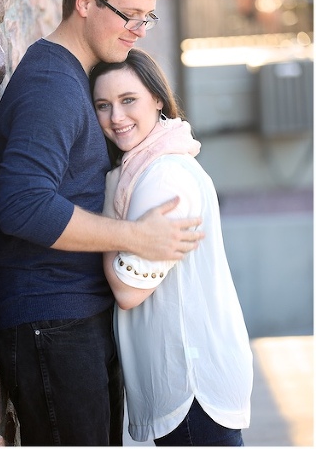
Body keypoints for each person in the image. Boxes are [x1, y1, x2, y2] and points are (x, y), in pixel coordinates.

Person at [0, 0, 205, 446]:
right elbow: (21, 204)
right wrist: (134, 236)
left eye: (146, 18)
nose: (139, 30)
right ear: (85, 2)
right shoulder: (51, 86)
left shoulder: (72, 78)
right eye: (129, 15)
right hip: (52, 326)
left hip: (73, 321)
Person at [90, 48, 253, 446]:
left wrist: (108, 214)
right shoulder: (146, 167)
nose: (116, 117)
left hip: (191, 387)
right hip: (190, 384)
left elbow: (129, 290)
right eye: (103, 105)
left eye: (129, 100)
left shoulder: (163, 178)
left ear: (157, 99)